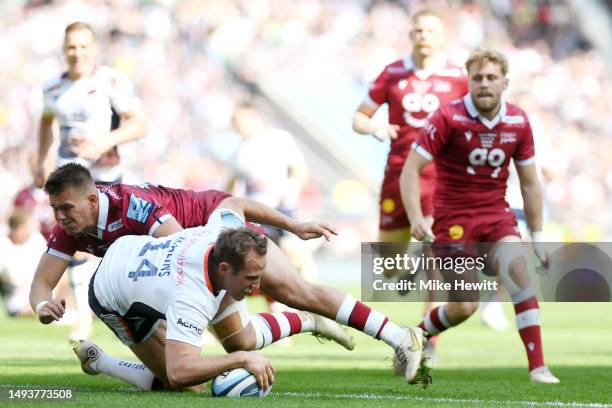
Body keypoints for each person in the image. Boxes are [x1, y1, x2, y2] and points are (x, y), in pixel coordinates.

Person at [31, 163, 426, 384]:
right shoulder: (67, 228)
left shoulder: (133, 206)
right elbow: (40, 285)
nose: (60, 217)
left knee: (293, 288)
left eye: (66, 209)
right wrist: (42, 306)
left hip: (204, 235)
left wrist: (293, 225)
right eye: (56, 210)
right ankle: (101, 362)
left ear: (93, 199)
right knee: (188, 376)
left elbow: (184, 247)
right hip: (163, 273)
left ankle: (397, 336)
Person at [400, 47, 559, 383]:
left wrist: (538, 236)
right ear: (468, 82)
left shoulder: (518, 121)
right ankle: (411, 338)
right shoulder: (447, 117)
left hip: (496, 216)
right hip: (453, 222)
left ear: (504, 82)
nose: (484, 84)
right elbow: (411, 170)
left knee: (519, 274)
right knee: (463, 307)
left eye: (491, 78)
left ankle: (538, 367)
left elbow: (530, 183)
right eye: (477, 78)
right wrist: (415, 215)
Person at [352, 8, 467, 358]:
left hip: (441, 175)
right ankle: (407, 268)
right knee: (387, 270)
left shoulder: (459, 77)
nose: (424, 36)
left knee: (436, 250)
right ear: (410, 34)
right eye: (418, 30)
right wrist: (375, 128)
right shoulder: (393, 73)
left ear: (442, 35)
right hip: (400, 172)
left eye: (431, 30)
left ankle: (429, 335)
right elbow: (359, 117)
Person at [33, 21, 148, 340]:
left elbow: (140, 124)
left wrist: (105, 142)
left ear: (93, 48)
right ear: (63, 49)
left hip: (106, 178)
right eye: (71, 46)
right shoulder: (53, 87)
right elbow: (45, 123)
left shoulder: (111, 80)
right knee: (76, 242)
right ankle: (83, 317)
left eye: (83, 46)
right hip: (68, 175)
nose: (77, 53)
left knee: (123, 245)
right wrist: (41, 158)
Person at [0, 210, 47, 317]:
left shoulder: (36, 239)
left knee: (64, 278)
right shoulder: (3, 245)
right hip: (17, 294)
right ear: (20, 229)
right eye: (29, 227)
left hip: (42, 287)